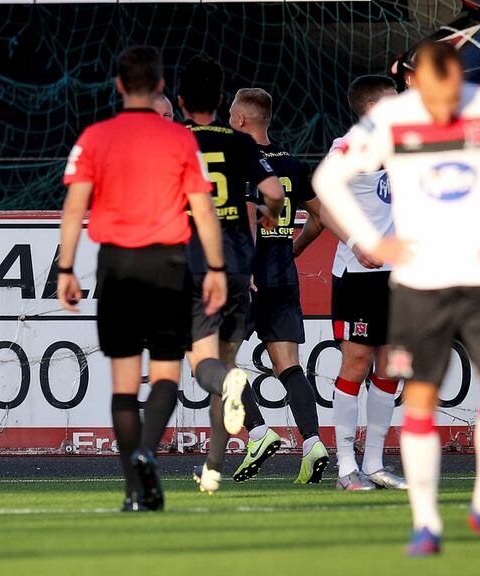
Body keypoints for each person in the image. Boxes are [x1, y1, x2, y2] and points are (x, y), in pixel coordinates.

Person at [312, 42, 480, 556]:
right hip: (416, 280)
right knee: (415, 391)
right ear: (407, 77)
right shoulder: (388, 123)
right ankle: (419, 518)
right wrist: (368, 239)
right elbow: (323, 183)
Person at [57, 46, 226, 511]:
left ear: (116, 86)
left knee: (123, 384)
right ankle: (149, 451)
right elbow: (204, 211)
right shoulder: (179, 140)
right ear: (158, 87)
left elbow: (75, 208)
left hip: (116, 266)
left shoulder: (94, 137)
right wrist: (215, 268)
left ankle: (136, 487)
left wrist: (66, 268)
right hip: (169, 264)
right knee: (168, 372)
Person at [175, 56, 285, 494]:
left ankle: (230, 385)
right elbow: (273, 194)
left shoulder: (173, 140)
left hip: (195, 265)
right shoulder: (239, 142)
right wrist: (267, 213)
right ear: (221, 100)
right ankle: (214, 469)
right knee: (224, 363)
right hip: (239, 267)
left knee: (207, 369)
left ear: (181, 101)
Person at [298, 75, 408, 492]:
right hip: (360, 276)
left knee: (392, 367)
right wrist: (357, 241)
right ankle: (346, 467)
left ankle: (376, 463)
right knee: (356, 364)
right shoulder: (347, 147)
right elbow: (323, 208)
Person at [225, 88, 328, 485]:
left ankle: (256, 432)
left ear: (241, 120)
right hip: (283, 277)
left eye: (232, 113)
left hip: (247, 279)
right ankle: (313, 442)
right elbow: (320, 218)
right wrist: (293, 249)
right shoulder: (291, 162)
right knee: (288, 365)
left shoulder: (240, 162)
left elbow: (246, 216)